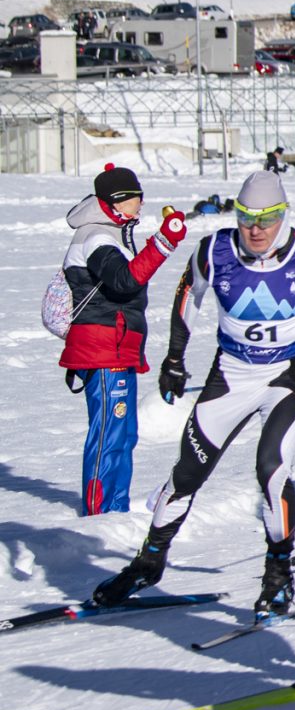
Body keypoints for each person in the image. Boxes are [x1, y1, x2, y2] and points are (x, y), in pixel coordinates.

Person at [91, 171, 295, 612]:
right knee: (187, 473)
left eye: (268, 218)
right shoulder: (214, 250)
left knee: (271, 469)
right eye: (246, 218)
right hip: (232, 374)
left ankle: (278, 571)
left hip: (288, 376)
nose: (256, 229)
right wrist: (174, 360)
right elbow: (188, 296)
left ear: (284, 215)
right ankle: (149, 562)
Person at [56, 166, 188, 515]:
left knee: (124, 435)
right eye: (135, 198)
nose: (141, 204)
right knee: (108, 437)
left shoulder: (112, 233)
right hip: (102, 350)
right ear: (116, 201)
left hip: (117, 348)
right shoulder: (96, 236)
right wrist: (162, 243)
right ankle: (99, 513)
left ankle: (116, 509)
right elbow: (124, 281)